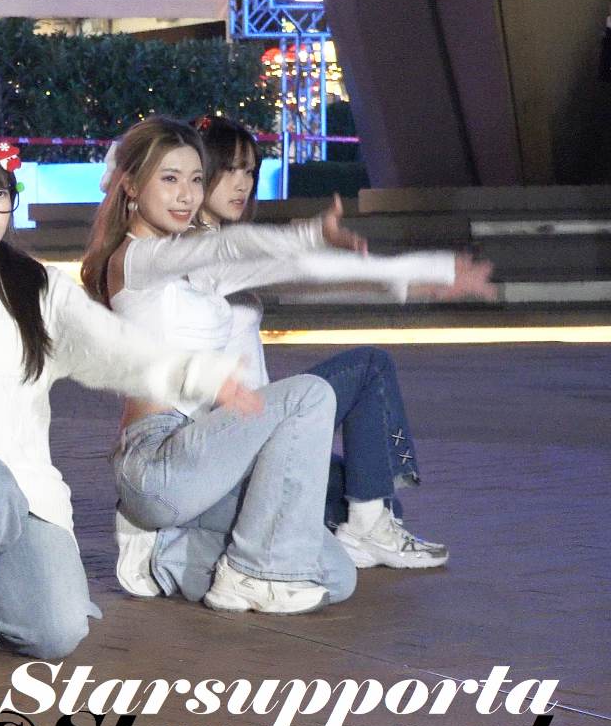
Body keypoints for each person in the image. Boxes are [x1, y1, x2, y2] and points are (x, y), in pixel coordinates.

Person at [0, 134, 253, 655]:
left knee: (58, 632)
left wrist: (201, 375)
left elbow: (116, 345)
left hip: (25, 488)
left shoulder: (38, 284)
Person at [80, 117, 363, 614]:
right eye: (170, 178)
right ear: (132, 185)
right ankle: (246, 573)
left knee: (336, 577)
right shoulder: (136, 259)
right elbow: (229, 246)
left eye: (195, 179)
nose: (186, 194)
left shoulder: (194, 265)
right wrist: (312, 231)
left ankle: (165, 556)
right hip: (156, 462)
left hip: (205, 460)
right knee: (310, 394)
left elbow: (287, 269)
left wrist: (418, 274)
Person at [191, 115, 494, 568]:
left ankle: (361, 525)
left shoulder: (224, 244)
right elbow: (311, 274)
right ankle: (359, 529)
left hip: (253, 427)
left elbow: (307, 280)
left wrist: (419, 285)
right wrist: (432, 271)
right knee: (370, 370)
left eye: (250, 171)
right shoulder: (206, 250)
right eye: (230, 168)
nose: (243, 183)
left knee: (373, 492)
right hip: (232, 435)